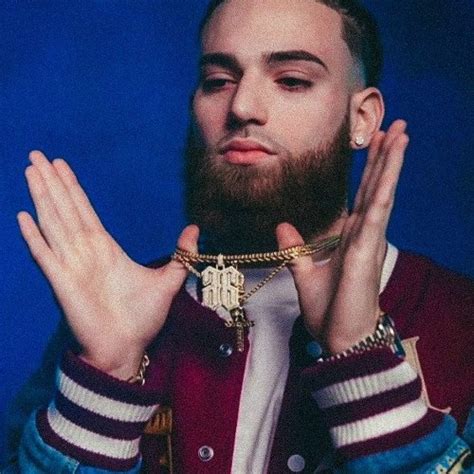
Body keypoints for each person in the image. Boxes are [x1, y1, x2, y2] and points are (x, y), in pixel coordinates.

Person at [4, 0, 473, 472]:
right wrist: (107, 374)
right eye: (218, 81)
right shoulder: (112, 314)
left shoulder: (458, 319)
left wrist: (360, 355)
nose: (242, 107)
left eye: (292, 80)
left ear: (363, 118)